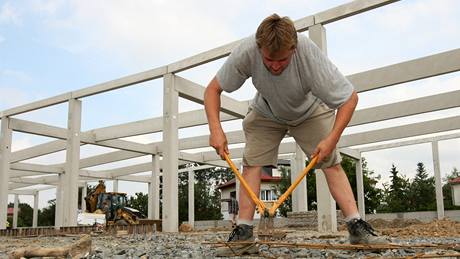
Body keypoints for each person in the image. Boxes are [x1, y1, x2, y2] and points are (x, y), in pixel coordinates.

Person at [204, 14, 387, 256]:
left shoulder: (308, 53)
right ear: (259, 48)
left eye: (282, 60)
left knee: (331, 163)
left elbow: (349, 99)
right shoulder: (247, 50)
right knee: (252, 164)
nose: (275, 66)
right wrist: (215, 129)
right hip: (266, 110)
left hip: (309, 110)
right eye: (269, 59)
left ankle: (356, 226)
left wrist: (331, 140)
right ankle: (244, 235)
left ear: (293, 48)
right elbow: (212, 90)